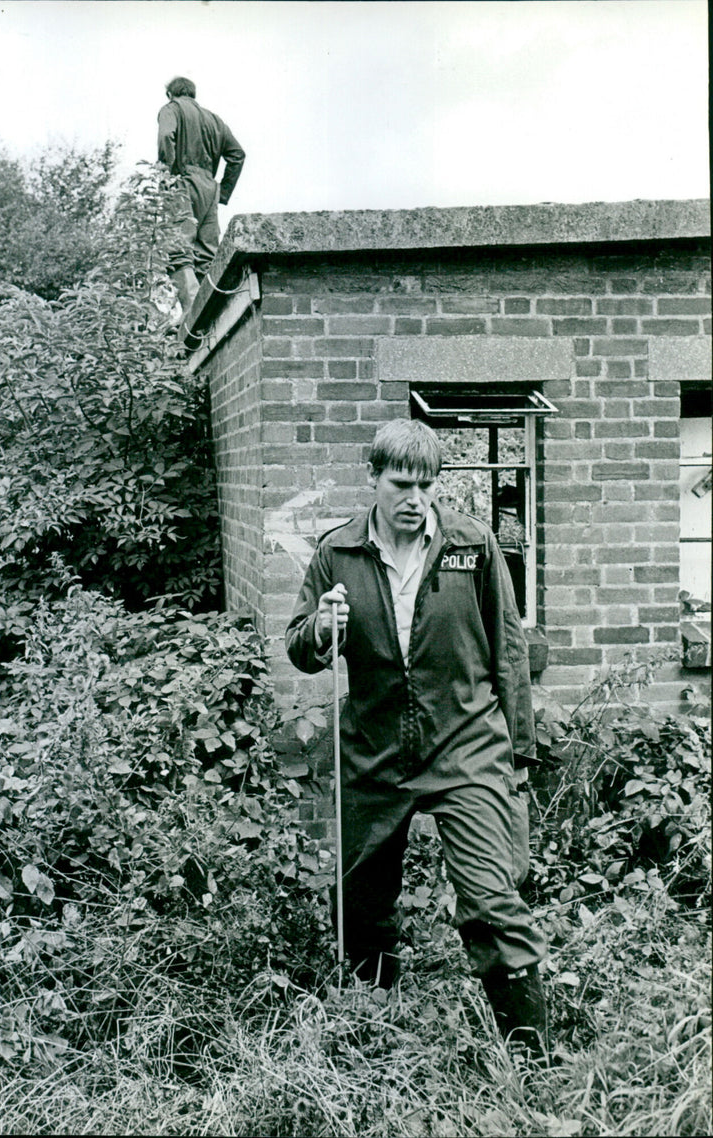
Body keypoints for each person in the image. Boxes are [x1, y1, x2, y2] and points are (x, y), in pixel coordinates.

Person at [286, 418, 551, 1062]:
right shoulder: (337, 554)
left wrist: (516, 755)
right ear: (373, 478)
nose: (415, 498)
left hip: (465, 742)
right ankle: (374, 1036)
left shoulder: (473, 545)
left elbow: (509, 651)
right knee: (360, 901)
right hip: (374, 747)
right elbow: (301, 650)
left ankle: (533, 1059)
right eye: (401, 483)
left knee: (491, 897)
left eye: (426, 485)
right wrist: (322, 628)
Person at [157, 76, 245, 313]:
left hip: (181, 183)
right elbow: (238, 155)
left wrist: (168, 174)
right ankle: (213, 318)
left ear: (170, 94)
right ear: (193, 94)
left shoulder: (171, 109)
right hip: (209, 189)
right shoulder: (215, 120)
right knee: (208, 257)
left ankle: (193, 317)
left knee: (179, 251)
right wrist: (222, 192)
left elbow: (166, 136)